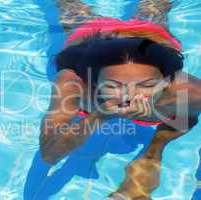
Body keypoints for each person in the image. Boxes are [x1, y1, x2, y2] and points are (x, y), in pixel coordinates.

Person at [39, 0, 201, 199]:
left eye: (147, 85)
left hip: (148, 36)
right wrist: (100, 116)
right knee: (67, 4)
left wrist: (154, 150)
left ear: (166, 80)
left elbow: (188, 116)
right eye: (113, 86)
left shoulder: (188, 91)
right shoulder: (73, 83)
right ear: (94, 80)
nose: (130, 96)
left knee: (156, 5)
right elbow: (49, 154)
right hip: (89, 34)